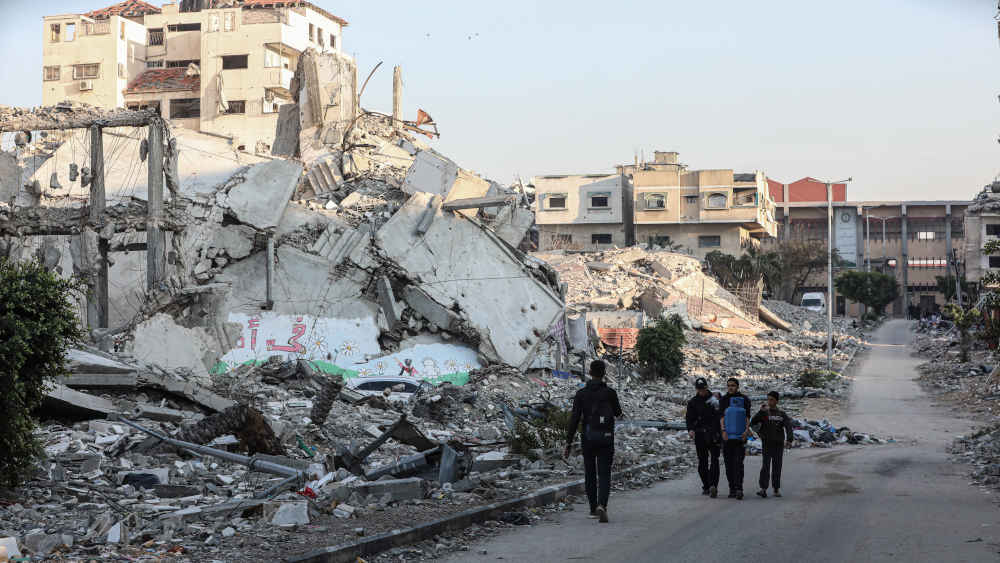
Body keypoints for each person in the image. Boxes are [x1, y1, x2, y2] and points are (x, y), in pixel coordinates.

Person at [564, 360, 623, 523]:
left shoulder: (581, 394)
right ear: (604, 374)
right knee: (604, 473)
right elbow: (618, 413)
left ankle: (592, 509)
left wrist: (568, 443)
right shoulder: (610, 393)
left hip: (588, 438)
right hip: (606, 438)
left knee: (590, 473)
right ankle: (602, 505)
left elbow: (574, 419)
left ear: (590, 373)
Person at [751, 391, 794, 498]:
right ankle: (763, 489)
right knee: (765, 466)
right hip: (766, 443)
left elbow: (788, 427)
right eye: (768, 399)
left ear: (776, 401)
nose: (769, 402)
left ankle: (776, 489)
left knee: (777, 466)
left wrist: (789, 440)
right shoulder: (764, 413)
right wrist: (760, 412)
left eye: (772, 400)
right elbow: (753, 422)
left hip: (778, 444)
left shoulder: (782, 414)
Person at [685, 377, 721, 498]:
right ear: (697, 389)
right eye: (699, 389)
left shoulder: (715, 399)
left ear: (707, 387)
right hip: (700, 434)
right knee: (702, 461)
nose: (702, 391)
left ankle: (713, 486)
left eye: (703, 389)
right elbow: (689, 418)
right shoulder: (693, 402)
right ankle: (706, 485)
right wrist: (690, 430)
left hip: (713, 433)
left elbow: (720, 415)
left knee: (715, 460)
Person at [719, 377, 751, 500]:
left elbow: (747, 417)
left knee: (738, 463)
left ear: (737, 386)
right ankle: (732, 489)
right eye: (728, 385)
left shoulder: (745, 399)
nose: (730, 387)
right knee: (728, 464)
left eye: (732, 385)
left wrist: (746, 431)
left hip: (740, 437)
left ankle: (739, 489)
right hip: (727, 437)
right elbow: (721, 417)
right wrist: (723, 431)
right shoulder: (724, 400)